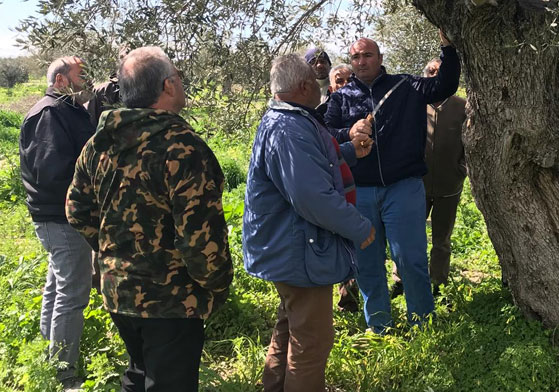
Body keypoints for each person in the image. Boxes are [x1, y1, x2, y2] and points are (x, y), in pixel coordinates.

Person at [66, 46, 233, 391]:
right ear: (168, 85)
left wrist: (113, 254)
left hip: (118, 291)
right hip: (170, 301)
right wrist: (216, 285)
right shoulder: (183, 148)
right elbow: (201, 239)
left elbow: (76, 210)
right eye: (179, 77)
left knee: (138, 375)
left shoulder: (100, 143)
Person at [242, 53, 374, 391]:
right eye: (315, 83)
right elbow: (312, 198)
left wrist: (346, 151)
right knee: (312, 341)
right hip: (299, 249)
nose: (320, 88)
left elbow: (311, 165)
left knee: (290, 327)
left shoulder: (291, 119)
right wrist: (360, 227)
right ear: (302, 87)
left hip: (293, 248)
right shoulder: (289, 127)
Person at [324, 31, 461, 333]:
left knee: (410, 259)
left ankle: (423, 324)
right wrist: (347, 133)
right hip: (360, 192)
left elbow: (446, 84)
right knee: (367, 263)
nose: (361, 61)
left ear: (380, 59)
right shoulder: (341, 98)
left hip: (404, 187)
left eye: (367, 55)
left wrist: (448, 49)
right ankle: (380, 328)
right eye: (355, 57)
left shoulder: (406, 85)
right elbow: (323, 135)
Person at [19, 56, 95, 387]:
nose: (87, 80)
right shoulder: (49, 113)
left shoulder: (68, 110)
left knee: (58, 284)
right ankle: (65, 375)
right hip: (61, 216)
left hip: (62, 216)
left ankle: (50, 353)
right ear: (61, 80)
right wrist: (88, 189)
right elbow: (52, 171)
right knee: (73, 293)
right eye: (81, 75)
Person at [392, 58, 467, 296]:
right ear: (425, 76)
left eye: (440, 72)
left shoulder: (462, 106)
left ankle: (438, 284)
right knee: (408, 235)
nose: (436, 75)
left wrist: (462, 168)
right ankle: (401, 279)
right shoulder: (415, 103)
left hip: (449, 184)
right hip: (417, 185)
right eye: (431, 72)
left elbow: (471, 141)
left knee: (442, 240)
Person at [324, 63, 363, 313]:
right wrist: (350, 134)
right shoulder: (325, 109)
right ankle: (347, 297)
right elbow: (326, 136)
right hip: (338, 185)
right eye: (340, 80)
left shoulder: (363, 103)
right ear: (331, 87)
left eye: (350, 79)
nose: (346, 83)